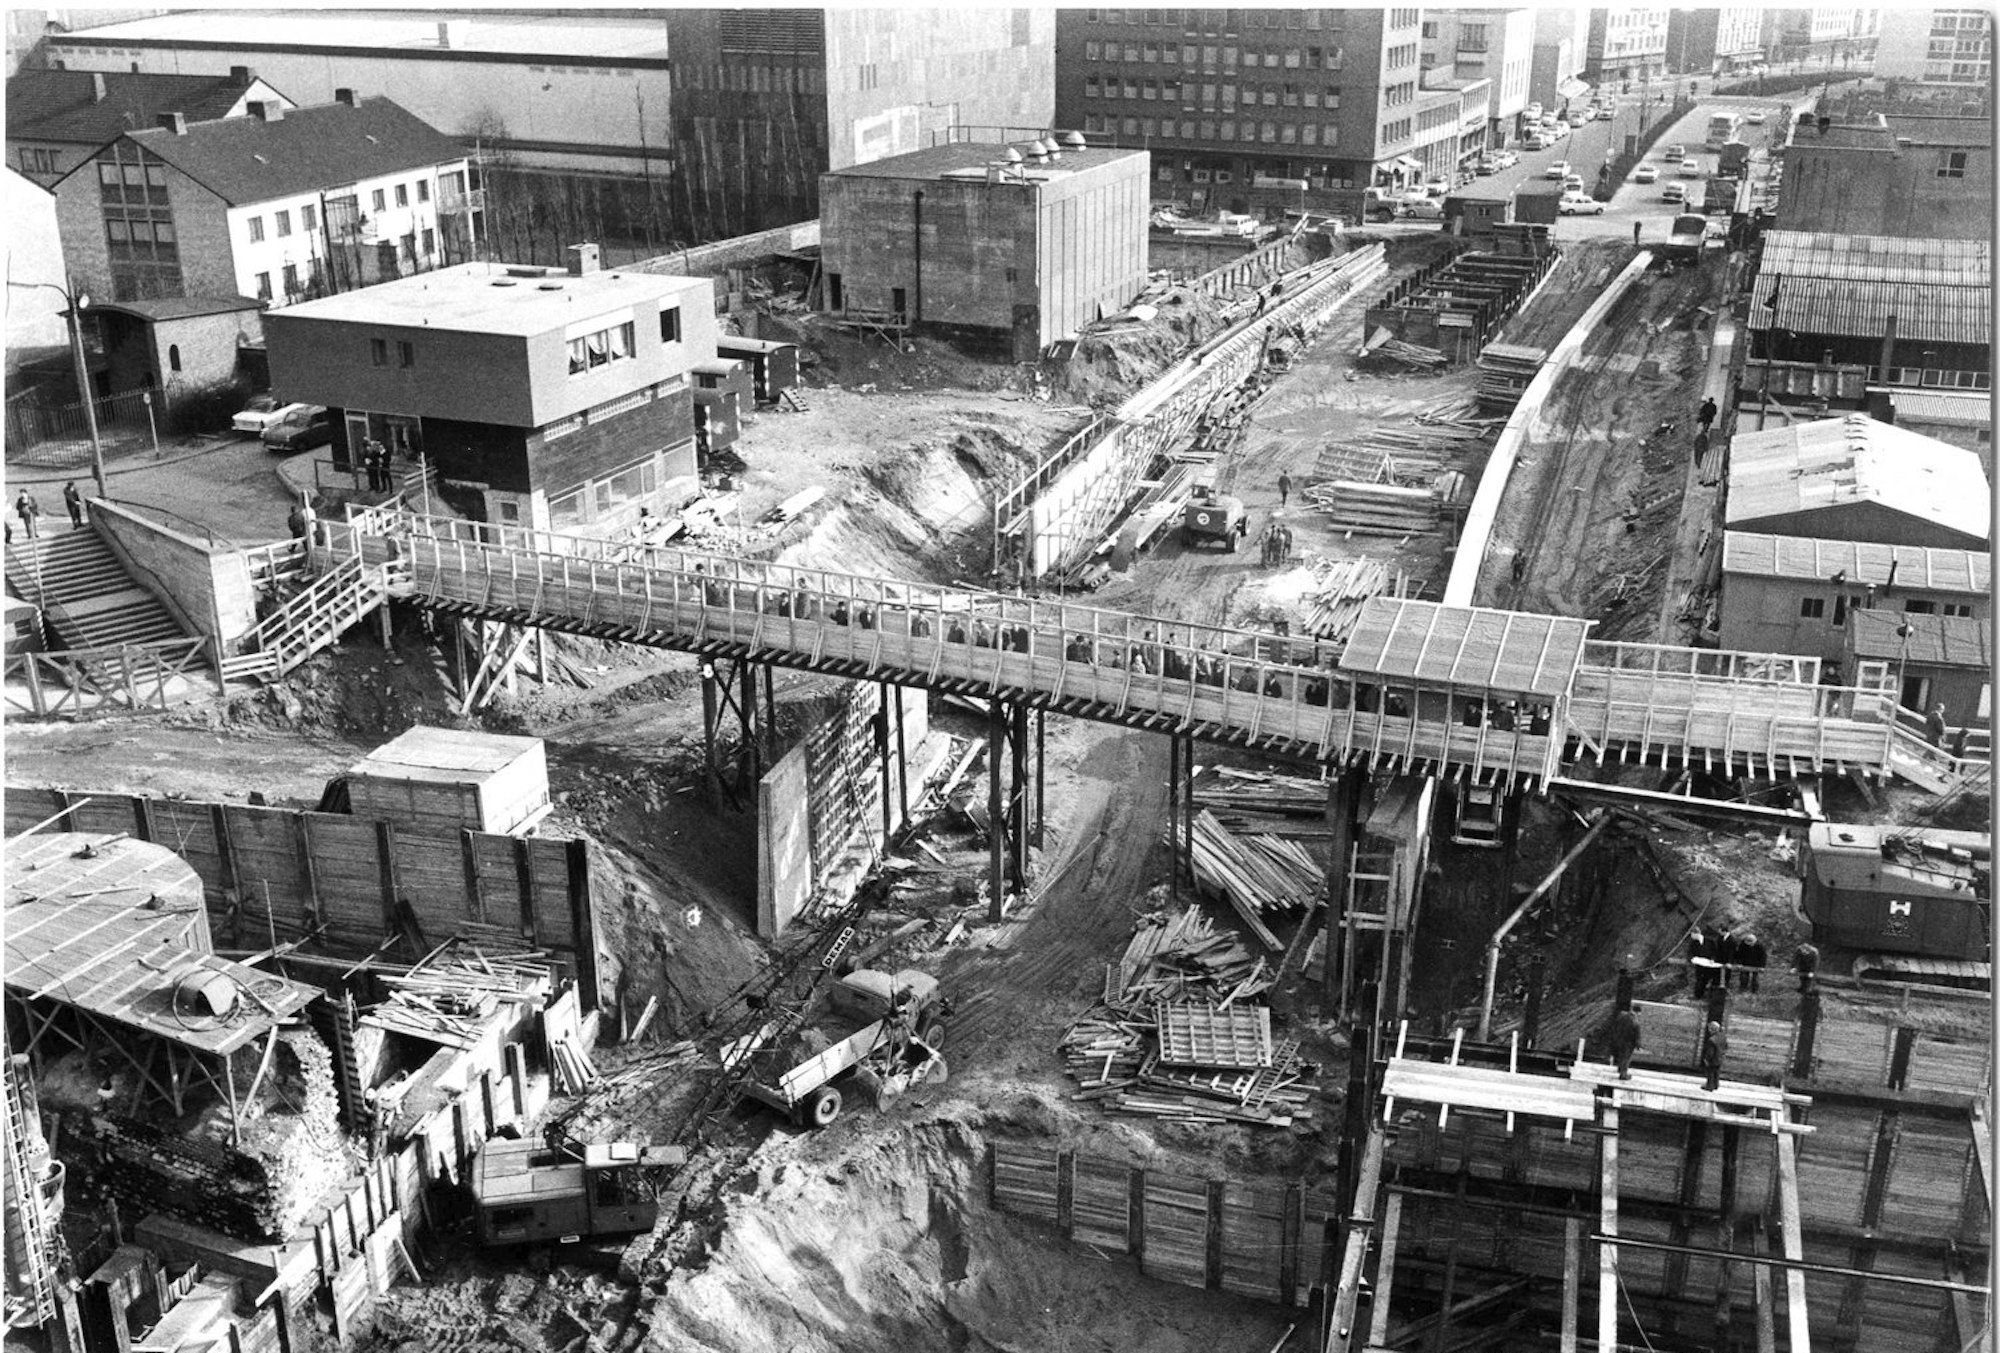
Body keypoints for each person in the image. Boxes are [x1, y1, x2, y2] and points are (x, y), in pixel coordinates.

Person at [1609, 1007, 1641, 1080]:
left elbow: (1615, 1025)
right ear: (1637, 1012)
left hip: (1619, 1040)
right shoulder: (1635, 1021)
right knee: (1626, 1058)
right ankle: (1623, 1075)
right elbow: (1636, 1033)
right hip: (1628, 1043)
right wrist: (1638, 1045)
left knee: (1621, 1056)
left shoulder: (1621, 1015)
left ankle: (1620, 1069)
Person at [1700, 1019, 1727, 1091]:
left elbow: (1710, 1052)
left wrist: (1706, 1059)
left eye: (1710, 1029)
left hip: (1713, 1059)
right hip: (1720, 1057)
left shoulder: (1712, 1040)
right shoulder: (1723, 1037)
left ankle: (1710, 1086)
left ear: (1713, 1029)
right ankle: (1715, 1085)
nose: (1709, 1030)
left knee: (1711, 1072)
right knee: (1717, 1072)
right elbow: (1726, 1046)